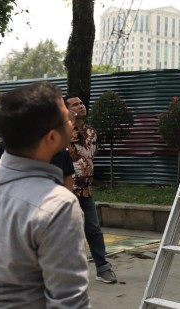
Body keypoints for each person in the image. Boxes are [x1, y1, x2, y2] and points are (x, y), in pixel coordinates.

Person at [0, 81, 90, 308]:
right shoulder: (57, 205)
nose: (72, 122)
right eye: (67, 118)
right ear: (51, 138)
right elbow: (69, 301)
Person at [66, 94, 117, 284]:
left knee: (94, 230)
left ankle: (103, 268)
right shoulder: (61, 131)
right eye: (75, 104)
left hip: (85, 191)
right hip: (65, 190)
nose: (81, 106)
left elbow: (90, 156)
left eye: (81, 103)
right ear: (66, 109)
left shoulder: (91, 132)